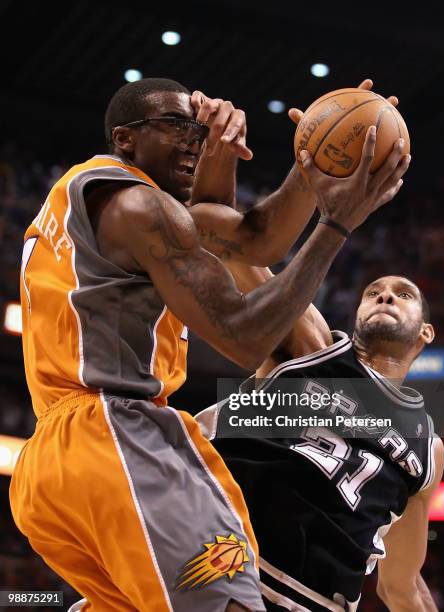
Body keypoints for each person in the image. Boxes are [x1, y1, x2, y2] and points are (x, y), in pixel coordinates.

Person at [10, 77, 408, 612]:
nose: (195, 139)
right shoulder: (141, 208)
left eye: (197, 128)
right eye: (178, 126)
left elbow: (251, 240)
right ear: (126, 138)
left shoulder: (95, 196)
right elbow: (246, 337)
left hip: (49, 468)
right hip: (116, 435)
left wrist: (311, 164)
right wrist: (336, 225)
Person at [202, 264, 444, 612]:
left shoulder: (428, 448)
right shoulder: (312, 346)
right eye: (373, 293)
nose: (385, 296)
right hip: (217, 558)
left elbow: (401, 586)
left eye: (403, 295)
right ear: (357, 315)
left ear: (426, 332)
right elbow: (241, 256)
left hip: (311, 602)